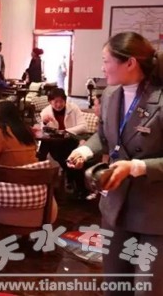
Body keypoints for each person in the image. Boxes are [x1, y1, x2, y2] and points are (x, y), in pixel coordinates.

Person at [67, 32, 163, 294]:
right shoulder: (110, 94)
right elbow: (104, 136)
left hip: (155, 214)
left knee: (146, 289)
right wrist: (85, 150)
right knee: (115, 286)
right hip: (115, 209)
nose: (102, 68)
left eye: (106, 61)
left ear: (130, 63)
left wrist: (136, 167)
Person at [37, 87, 89, 197]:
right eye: (55, 102)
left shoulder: (73, 108)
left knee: (70, 157)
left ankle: (42, 172)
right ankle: (73, 184)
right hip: (56, 144)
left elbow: (84, 126)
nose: (59, 104)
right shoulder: (45, 112)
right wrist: (44, 123)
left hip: (71, 141)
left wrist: (66, 131)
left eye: (61, 101)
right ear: (50, 102)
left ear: (65, 100)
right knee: (49, 147)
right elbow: (43, 132)